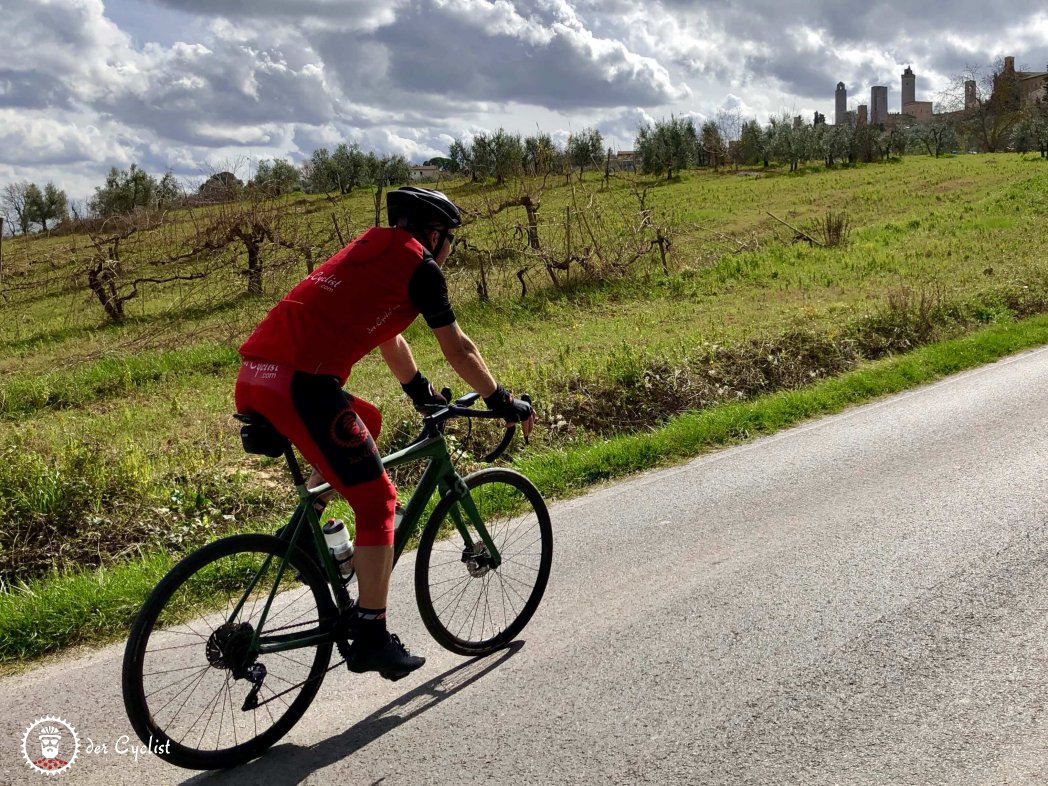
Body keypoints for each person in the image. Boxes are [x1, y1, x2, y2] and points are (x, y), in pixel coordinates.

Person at [234, 186, 535, 680]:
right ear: (435, 235)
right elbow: (458, 347)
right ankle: (372, 635)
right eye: (450, 240)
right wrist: (501, 399)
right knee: (378, 503)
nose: (449, 249)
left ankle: (309, 530)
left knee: (366, 422)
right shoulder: (421, 266)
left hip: (257, 378)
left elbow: (388, 335)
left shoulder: (367, 249)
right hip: (301, 386)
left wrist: (418, 390)